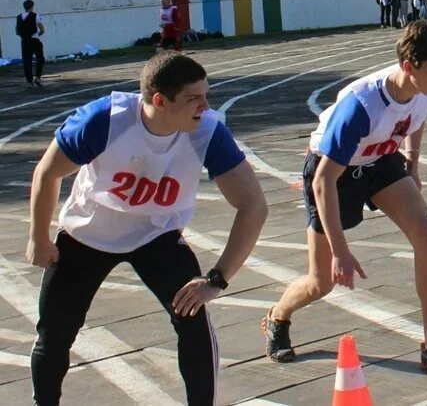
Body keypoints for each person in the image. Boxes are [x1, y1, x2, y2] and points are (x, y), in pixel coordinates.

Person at [26, 53, 268, 406]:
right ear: (159, 100)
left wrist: (217, 279)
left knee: (194, 320)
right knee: (55, 333)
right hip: (89, 233)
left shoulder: (208, 132)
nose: (205, 106)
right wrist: (38, 237)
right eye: (193, 99)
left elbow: (254, 206)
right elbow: (47, 172)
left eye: (206, 95)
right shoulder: (105, 120)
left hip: (157, 235)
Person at [261, 22, 427, 380]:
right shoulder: (360, 106)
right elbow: (323, 181)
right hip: (333, 173)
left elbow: (417, 119)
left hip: (381, 160)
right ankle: (278, 315)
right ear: (408, 67)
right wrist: (341, 251)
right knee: (321, 282)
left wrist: (412, 163)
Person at [16, 0, 46, 88]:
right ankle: (37, 78)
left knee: (27, 61)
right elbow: (42, 29)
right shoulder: (35, 15)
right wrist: (38, 35)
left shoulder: (19, 17)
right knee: (40, 58)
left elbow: (18, 31)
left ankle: (29, 81)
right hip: (34, 39)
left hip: (24, 41)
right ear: (32, 6)